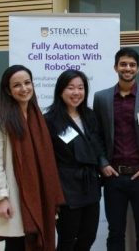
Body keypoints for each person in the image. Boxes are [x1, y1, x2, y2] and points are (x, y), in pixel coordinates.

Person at [93, 47, 139, 251]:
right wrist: (103, 164)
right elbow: (96, 136)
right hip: (113, 177)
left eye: (132, 65)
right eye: (123, 64)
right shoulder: (101, 98)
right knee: (115, 232)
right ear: (115, 67)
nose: (127, 68)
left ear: (138, 68)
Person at [0, 65, 64, 251]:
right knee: (17, 244)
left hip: (39, 194)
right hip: (14, 196)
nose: (24, 88)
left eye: (27, 83)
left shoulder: (39, 119)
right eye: (17, 85)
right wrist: (2, 198)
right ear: (8, 91)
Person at [44, 69, 103, 251]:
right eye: (71, 88)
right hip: (66, 188)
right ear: (60, 90)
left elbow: (98, 146)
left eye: (80, 88)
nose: (76, 93)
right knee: (67, 239)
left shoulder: (90, 116)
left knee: (88, 236)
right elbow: (47, 159)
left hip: (90, 185)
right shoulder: (50, 120)